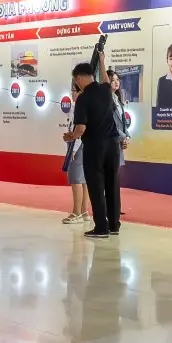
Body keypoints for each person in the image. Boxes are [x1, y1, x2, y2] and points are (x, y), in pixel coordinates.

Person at [63, 61, 121, 238]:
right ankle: (114, 225)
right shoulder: (106, 90)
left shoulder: (83, 98)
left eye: (76, 81)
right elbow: (105, 79)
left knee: (96, 187)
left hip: (95, 147)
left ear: (79, 78)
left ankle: (101, 227)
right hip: (113, 146)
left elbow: (81, 128)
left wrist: (71, 136)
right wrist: (102, 60)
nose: (76, 85)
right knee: (112, 185)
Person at [57, 79, 87, 225]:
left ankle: (77, 212)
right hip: (82, 146)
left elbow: (80, 130)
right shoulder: (83, 106)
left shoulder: (81, 107)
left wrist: (73, 149)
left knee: (76, 180)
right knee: (83, 180)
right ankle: (84, 211)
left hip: (78, 147)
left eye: (73, 91)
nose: (71, 94)